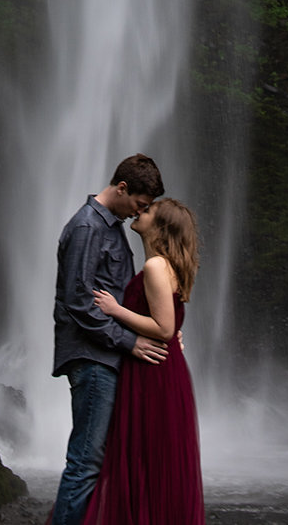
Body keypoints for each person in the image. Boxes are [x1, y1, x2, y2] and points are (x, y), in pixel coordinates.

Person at [50, 154, 168, 525]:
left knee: (96, 460)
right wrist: (130, 342)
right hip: (92, 358)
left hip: (105, 357)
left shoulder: (111, 227)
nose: (139, 213)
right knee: (86, 461)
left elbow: (120, 298)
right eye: (139, 204)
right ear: (122, 188)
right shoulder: (88, 228)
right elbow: (80, 303)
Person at [84, 197, 205, 525]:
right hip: (164, 368)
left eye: (148, 211)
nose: (140, 211)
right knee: (156, 457)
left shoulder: (154, 267)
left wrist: (115, 309)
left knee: (143, 453)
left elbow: (164, 328)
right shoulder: (166, 265)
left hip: (152, 370)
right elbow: (171, 323)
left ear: (160, 227)